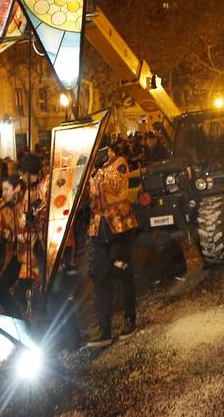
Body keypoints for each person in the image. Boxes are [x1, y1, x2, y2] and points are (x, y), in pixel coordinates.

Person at [85, 144, 138, 348]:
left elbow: (116, 187)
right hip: (98, 229)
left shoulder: (119, 163)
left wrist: (97, 174)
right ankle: (104, 328)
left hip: (120, 226)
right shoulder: (92, 170)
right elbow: (85, 199)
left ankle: (130, 319)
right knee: (100, 277)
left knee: (122, 272)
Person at [0, 155, 45, 319]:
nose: (3, 193)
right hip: (16, 255)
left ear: (16, 189)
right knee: (0, 289)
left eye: (6, 189)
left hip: (33, 255)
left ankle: (37, 325)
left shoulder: (28, 200)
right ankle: (20, 322)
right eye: (2, 190)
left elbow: (37, 225)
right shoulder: (4, 209)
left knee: (29, 294)